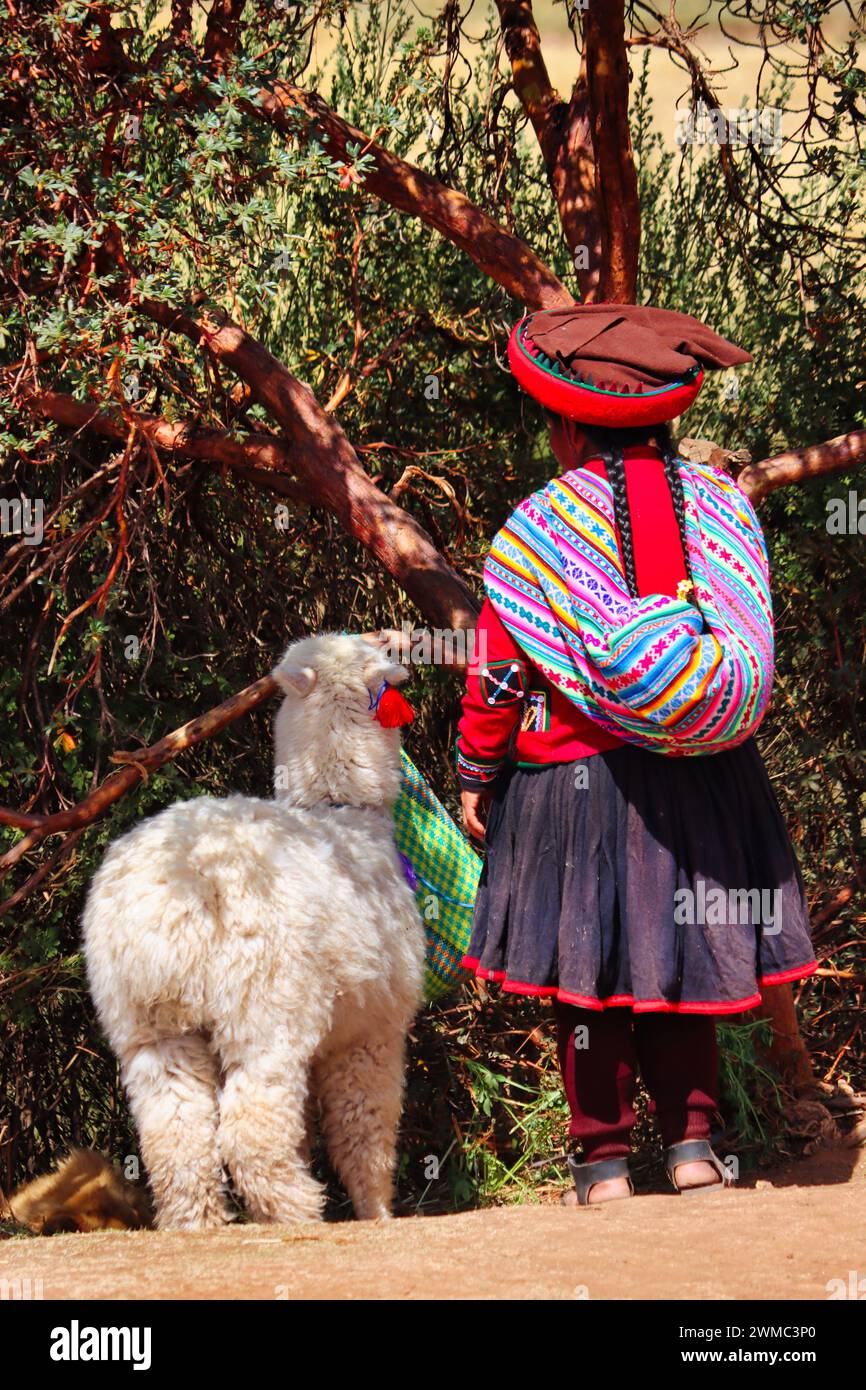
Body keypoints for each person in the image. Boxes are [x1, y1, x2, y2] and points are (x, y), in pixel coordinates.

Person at [456, 304, 816, 1206]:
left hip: (575, 784)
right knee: (683, 959)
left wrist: (474, 772)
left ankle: (604, 1168)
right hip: (704, 775)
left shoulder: (535, 530)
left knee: (590, 976)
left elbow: (499, 674)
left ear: (568, 421)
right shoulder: (723, 504)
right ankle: (696, 1153)